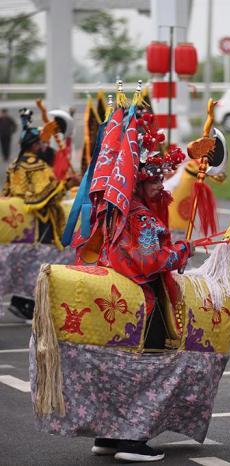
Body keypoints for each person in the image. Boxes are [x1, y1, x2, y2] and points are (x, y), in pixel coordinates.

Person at [73, 111, 191, 462]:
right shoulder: (141, 217)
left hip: (117, 301)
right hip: (142, 302)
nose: (160, 186)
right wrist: (182, 251)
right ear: (136, 181)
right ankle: (132, 441)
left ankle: (108, 435)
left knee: (117, 366)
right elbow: (149, 261)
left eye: (160, 179)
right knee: (145, 368)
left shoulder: (117, 211)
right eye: (152, 180)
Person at [3, 109, 65, 320]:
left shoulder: (14, 164)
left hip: (15, 223)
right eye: (39, 142)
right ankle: (27, 304)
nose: (42, 145)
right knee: (39, 263)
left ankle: (20, 302)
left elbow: (6, 192)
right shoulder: (36, 165)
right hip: (38, 222)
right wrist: (65, 186)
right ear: (33, 145)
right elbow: (42, 195)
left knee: (20, 262)